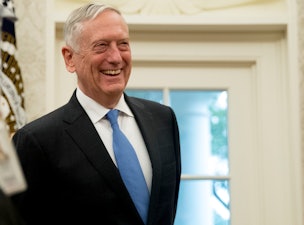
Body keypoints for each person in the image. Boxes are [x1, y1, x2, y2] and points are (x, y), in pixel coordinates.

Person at [10, 3, 181, 225]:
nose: (116, 58)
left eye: (123, 44)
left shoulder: (163, 120)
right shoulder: (36, 141)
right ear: (70, 58)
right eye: (101, 46)